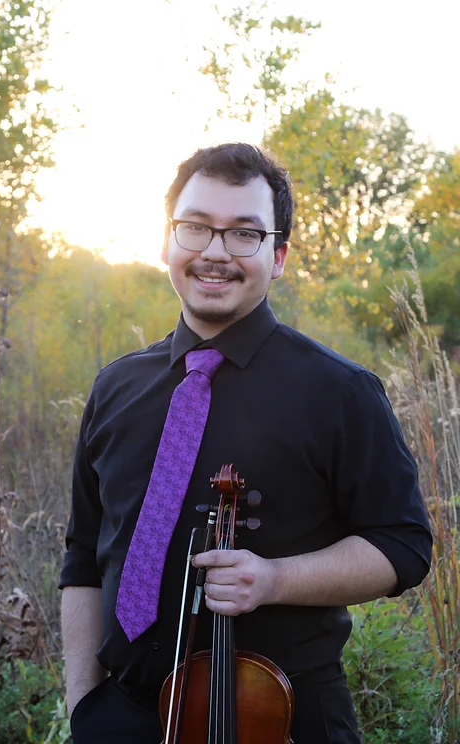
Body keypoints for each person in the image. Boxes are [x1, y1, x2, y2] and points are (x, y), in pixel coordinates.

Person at [59, 142, 432, 743]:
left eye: (243, 235)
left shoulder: (341, 392)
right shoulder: (115, 386)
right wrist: (83, 702)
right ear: (166, 242)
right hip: (121, 718)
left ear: (278, 256)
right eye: (196, 228)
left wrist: (275, 578)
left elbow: (404, 546)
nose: (214, 252)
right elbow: (83, 552)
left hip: (279, 718)